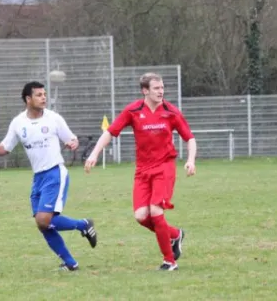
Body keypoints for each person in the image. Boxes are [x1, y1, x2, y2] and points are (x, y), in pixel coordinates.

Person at [84, 72, 196, 271]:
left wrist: (190, 160)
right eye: (156, 88)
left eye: (162, 88)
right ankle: (175, 235)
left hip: (164, 167)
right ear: (145, 91)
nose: (161, 91)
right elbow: (109, 133)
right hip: (143, 170)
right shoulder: (133, 110)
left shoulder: (171, 111)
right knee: (141, 216)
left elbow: (190, 138)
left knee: (155, 211)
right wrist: (94, 154)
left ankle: (169, 261)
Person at [0, 81, 97, 271]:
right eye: (39, 95)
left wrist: (73, 143)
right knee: (43, 225)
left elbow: (72, 138)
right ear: (28, 99)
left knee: (43, 219)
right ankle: (71, 263)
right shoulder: (18, 122)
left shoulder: (54, 118)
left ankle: (83, 225)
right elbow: (5, 148)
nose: (44, 98)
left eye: (44, 94)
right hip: (38, 178)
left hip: (55, 173)